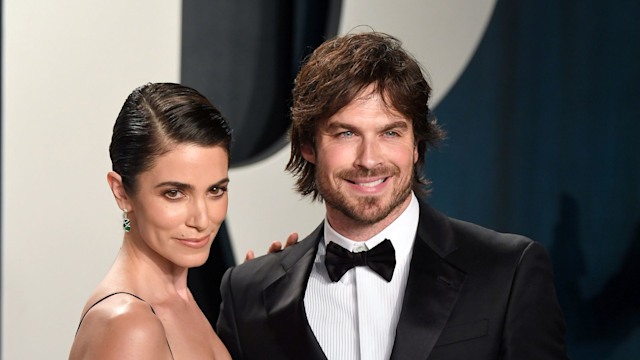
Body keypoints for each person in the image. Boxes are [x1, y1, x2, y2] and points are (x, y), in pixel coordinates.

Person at [216, 32, 568, 359]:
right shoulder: (248, 294)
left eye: (390, 133)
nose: (369, 160)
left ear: (416, 145)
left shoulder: (508, 271)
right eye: (346, 134)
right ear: (308, 146)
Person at [69, 83, 233, 359]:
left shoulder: (179, 299)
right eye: (174, 193)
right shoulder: (129, 325)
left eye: (215, 190)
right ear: (121, 192)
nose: (202, 220)